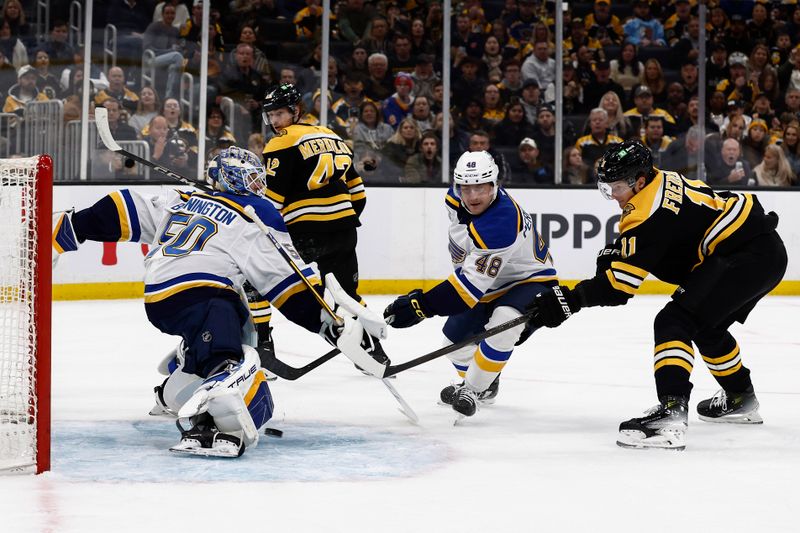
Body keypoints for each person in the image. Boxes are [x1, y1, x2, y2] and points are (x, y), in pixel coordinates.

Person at [51, 147, 388, 457]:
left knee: (233, 320)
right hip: (203, 293)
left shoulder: (181, 198)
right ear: (232, 179)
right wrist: (325, 321)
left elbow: (124, 206)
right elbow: (284, 279)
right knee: (234, 354)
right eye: (250, 179)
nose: (258, 186)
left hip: (159, 298)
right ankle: (211, 421)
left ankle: (181, 378)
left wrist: (74, 226)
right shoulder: (256, 212)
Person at [528, 139, 786, 450]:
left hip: (742, 256)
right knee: (707, 328)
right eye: (607, 188)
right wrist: (618, 253)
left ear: (638, 181)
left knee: (673, 322)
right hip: (765, 250)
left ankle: (671, 414)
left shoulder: (647, 213)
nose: (613, 195)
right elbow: (663, 238)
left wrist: (570, 299)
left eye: (616, 188)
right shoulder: (660, 178)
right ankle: (740, 398)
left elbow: (619, 287)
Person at [383, 151, 556, 418]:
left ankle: (474, 389)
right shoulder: (454, 199)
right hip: (491, 282)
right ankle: (487, 384)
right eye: (466, 188)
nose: (473, 196)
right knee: (453, 343)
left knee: (505, 321)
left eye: (481, 188)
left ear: (494, 185)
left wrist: (420, 305)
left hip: (530, 279)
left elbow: (465, 292)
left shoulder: (501, 222)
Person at [260, 83, 387, 364]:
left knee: (257, 279)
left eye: (280, 113)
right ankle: (373, 352)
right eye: (271, 115)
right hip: (344, 229)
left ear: (296, 111)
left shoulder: (281, 142)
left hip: (304, 231)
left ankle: (262, 346)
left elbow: (272, 202)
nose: (275, 121)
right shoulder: (332, 136)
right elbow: (358, 193)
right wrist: (342, 219)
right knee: (348, 293)